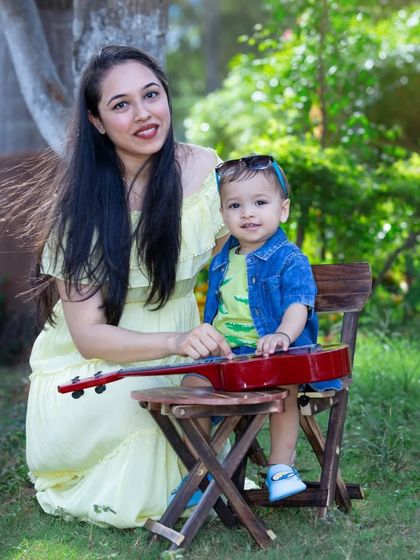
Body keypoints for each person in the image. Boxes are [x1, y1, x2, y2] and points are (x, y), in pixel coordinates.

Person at [19, 45, 235, 529]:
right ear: (96, 121)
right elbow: (90, 336)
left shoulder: (205, 173)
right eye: (121, 105)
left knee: (196, 386)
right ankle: (198, 482)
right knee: (148, 401)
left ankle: (206, 477)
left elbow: (237, 263)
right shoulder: (81, 207)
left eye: (151, 95)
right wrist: (177, 343)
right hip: (95, 366)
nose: (144, 115)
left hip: (188, 345)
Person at [180, 155, 320, 502]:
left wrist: (283, 335)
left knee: (284, 383)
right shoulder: (223, 259)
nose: (248, 213)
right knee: (192, 384)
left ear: (282, 210)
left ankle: (280, 468)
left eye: (260, 202)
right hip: (228, 356)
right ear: (224, 216)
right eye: (235, 205)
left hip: (271, 353)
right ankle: (201, 473)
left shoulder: (289, 258)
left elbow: (298, 305)